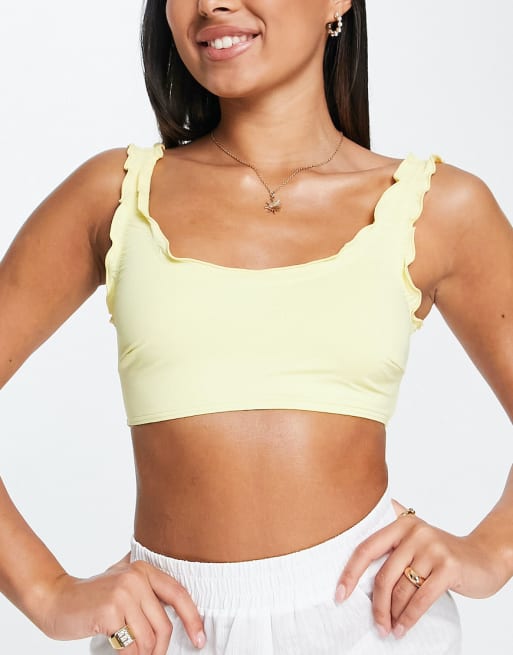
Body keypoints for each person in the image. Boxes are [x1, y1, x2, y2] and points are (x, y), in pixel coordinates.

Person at [1, 0, 512, 653]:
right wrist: (46, 592)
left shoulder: (439, 208)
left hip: (372, 623)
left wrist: (493, 551)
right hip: (164, 630)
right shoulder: (115, 196)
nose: (211, 3)